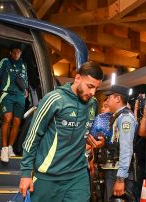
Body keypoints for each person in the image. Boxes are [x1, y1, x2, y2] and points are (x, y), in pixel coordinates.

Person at [19, 62, 104, 202]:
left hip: (78, 175)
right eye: (90, 86)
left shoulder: (93, 104)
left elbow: (84, 129)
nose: (93, 92)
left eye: (96, 88)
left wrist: (92, 138)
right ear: (77, 78)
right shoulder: (54, 99)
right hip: (49, 176)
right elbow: (33, 136)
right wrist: (26, 173)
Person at [0, 44, 28, 162]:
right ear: (11, 52)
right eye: (15, 52)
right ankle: (4, 149)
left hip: (20, 96)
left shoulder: (23, 64)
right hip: (7, 94)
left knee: (17, 121)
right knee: (7, 118)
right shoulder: (5, 61)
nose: (17, 54)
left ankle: (10, 147)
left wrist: (25, 89)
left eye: (19, 52)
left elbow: (25, 78)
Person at [101, 85, 138, 201]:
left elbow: (126, 148)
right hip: (113, 168)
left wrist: (120, 179)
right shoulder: (117, 116)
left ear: (117, 98)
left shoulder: (125, 118)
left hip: (118, 170)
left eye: (109, 98)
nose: (107, 101)